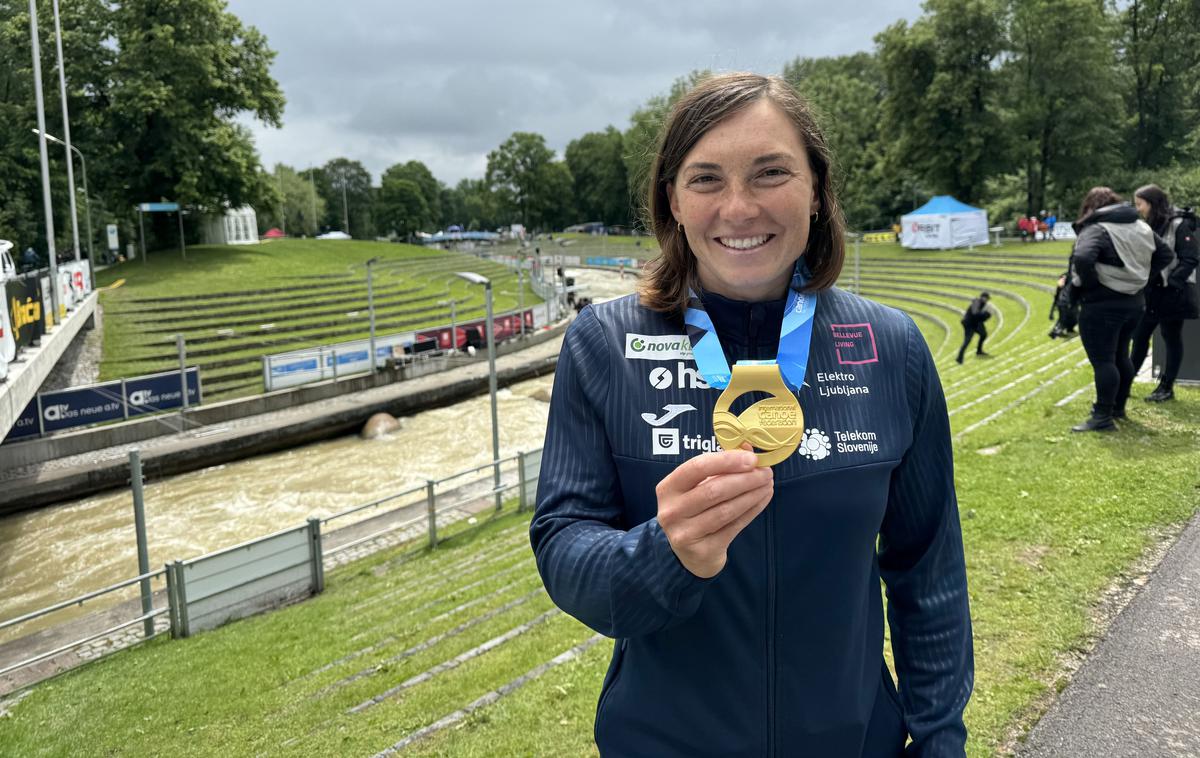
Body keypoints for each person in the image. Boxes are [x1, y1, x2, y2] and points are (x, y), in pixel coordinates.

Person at [531, 72, 973, 757]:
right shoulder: (604, 344)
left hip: (855, 742)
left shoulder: (891, 347)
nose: (738, 209)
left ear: (819, 193)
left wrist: (941, 740)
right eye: (706, 179)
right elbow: (563, 547)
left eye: (771, 173)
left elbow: (928, 566)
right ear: (671, 201)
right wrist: (664, 554)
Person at [1067, 187, 1172, 431]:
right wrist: (1142, 277)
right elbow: (1165, 254)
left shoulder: (1097, 228)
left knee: (1104, 360)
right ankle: (1118, 408)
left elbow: (1082, 258)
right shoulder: (1140, 226)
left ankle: (1102, 416)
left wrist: (1092, 287)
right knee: (1120, 356)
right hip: (1134, 302)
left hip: (1102, 305)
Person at [1130, 184, 1199, 402]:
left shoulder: (1178, 225)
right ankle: (1126, 380)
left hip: (1172, 292)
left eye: (1140, 204)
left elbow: (1190, 258)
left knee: (1171, 337)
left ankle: (1166, 386)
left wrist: (1173, 282)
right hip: (1152, 290)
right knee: (1140, 335)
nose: (1138, 208)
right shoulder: (1148, 225)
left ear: (1152, 203)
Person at [956, 291, 991, 363]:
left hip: (975, 323)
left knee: (983, 334)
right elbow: (975, 314)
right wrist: (984, 315)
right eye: (986, 298)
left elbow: (979, 316)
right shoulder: (976, 302)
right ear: (982, 297)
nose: (987, 300)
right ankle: (959, 358)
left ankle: (979, 351)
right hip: (969, 324)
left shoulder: (982, 304)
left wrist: (985, 316)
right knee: (967, 340)